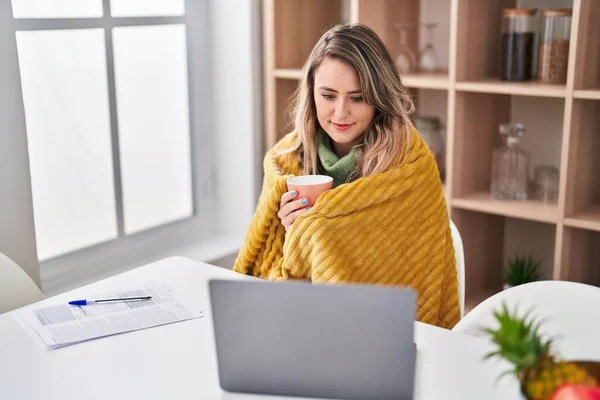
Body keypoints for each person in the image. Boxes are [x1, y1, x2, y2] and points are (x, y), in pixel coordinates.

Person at [233, 23, 459, 329]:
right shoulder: (287, 161)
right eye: (328, 95)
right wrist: (291, 232)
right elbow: (267, 271)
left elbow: (404, 281)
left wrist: (313, 231)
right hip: (298, 324)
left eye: (357, 98)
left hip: (373, 332)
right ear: (311, 92)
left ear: (379, 97)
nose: (340, 113)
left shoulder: (409, 167)